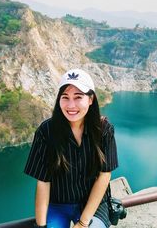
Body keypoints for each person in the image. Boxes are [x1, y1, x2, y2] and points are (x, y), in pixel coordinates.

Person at [24, 68, 119, 228]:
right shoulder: (46, 131)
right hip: (58, 204)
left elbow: (104, 175)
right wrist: (41, 226)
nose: (71, 105)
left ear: (90, 99)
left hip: (92, 204)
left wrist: (83, 223)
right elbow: (43, 182)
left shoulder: (103, 129)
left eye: (78, 97)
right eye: (65, 97)